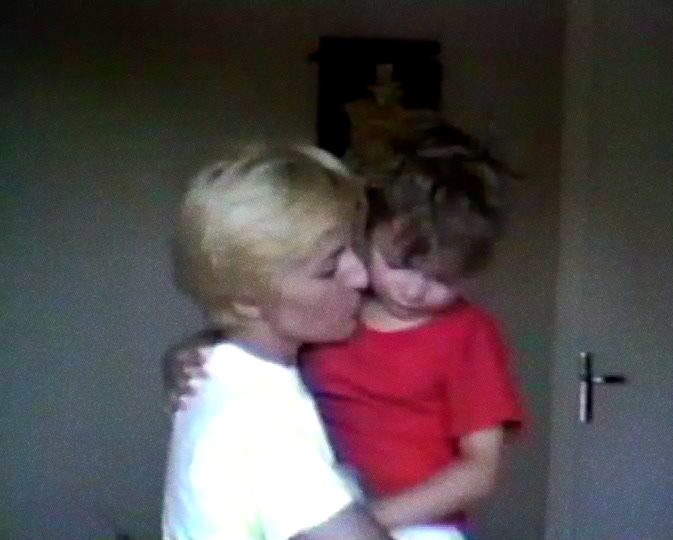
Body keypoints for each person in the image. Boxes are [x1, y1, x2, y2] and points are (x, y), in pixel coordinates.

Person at [167, 120, 524, 539]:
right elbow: (254, 330)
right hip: (333, 507)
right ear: (370, 235)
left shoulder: (468, 333)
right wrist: (188, 354)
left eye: (441, 278)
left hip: (416, 524)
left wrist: (370, 518)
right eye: (398, 264)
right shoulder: (334, 317)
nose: (414, 290)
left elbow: (480, 470)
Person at [162, 144, 395, 540]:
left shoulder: (226, 371)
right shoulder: (255, 419)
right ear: (246, 299)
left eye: (353, 249)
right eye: (329, 268)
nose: (361, 276)